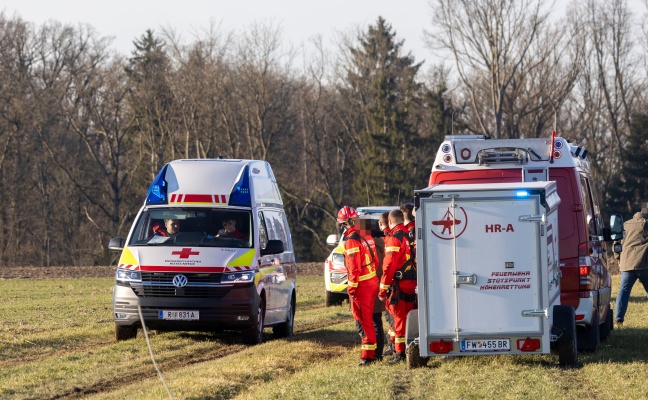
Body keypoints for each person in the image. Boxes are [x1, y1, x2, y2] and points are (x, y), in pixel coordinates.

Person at [338, 205, 380, 366]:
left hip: (361, 286)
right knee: (368, 319)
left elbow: (354, 267)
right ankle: (373, 351)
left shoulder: (351, 240)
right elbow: (375, 260)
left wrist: (351, 287)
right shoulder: (365, 234)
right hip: (371, 282)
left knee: (364, 320)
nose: (343, 227)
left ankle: (368, 356)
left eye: (343, 224)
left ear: (346, 223)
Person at [379, 209, 417, 363]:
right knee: (407, 317)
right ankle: (403, 347)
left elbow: (388, 267)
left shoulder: (394, 239)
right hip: (410, 283)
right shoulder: (409, 235)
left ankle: (400, 354)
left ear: (390, 221)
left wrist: (382, 289)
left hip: (399, 286)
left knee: (399, 319)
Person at [354, 217, 386, 361]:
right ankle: (378, 353)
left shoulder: (365, 244)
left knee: (368, 323)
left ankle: (374, 354)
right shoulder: (382, 243)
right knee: (376, 321)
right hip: (378, 286)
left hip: (368, 287)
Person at [614, 202, 648, 327]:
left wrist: (618, 259)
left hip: (626, 264)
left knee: (623, 291)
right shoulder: (646, 224)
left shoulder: (625, 225)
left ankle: (618, 318)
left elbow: (616, 245)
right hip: (643, 264)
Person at [377, 211, 396, 356]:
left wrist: (382, 289)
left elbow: (387, 267)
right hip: (395, 284)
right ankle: (392, 343)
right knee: (392, 320)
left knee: (393, 319)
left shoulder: (389, 240)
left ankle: (397, 348)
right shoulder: (392, 238)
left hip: (390, 285)